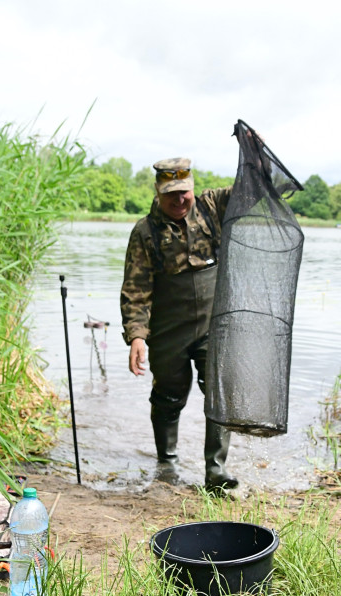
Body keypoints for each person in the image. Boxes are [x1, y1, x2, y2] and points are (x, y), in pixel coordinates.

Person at [120, 157, 238, 491]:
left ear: (192, 187)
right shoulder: (144, 232)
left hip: (213, 325)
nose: (179, 200)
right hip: (168, 329)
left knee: (218, 393)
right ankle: (167, 463)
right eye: (171, 194)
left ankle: (216, 471)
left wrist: (254, 152)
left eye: (184, 192)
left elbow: (254, 190)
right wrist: (137, 338)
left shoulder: (212, 206)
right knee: (169, 396)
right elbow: (135, 290)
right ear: (158, 192)